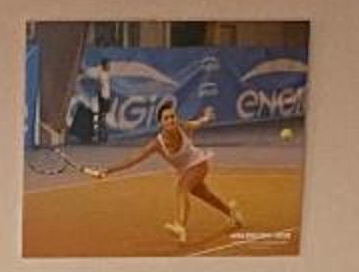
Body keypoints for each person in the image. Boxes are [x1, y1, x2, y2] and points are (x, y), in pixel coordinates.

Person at [92, 96, 246, 244]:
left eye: (172, 117)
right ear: (161, 123)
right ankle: (232, 213)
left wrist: (206, 117)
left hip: (199, 164)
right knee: (206, 196)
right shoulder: (157, 144)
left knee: (181, 188)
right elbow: (134, 159)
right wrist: (108, 170)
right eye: (166, 118)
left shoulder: (182, 127)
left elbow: (197, 123)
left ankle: (180, 226)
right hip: (186, 170)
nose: (171, 120)